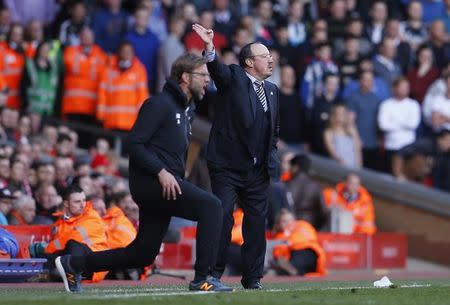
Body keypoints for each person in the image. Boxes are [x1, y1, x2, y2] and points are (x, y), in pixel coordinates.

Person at [55, 53, 232, 293]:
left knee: (143, 253)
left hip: (166, 184)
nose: (207, 81)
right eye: (203, 76)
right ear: (185, 77)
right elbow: (134, 144)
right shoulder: (159, 104)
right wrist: (161, 171)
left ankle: (76, 263)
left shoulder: (185, 110)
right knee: (211, 206)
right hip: (152, 183)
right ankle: (203, 278)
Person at [193, 23, 280, 289]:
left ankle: (253, 278)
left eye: (270, 55)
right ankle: (212, 274)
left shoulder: (273, 91)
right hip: (227, 167)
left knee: (256, 224)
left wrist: (271, 158)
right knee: (223, 218)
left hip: (257, 171)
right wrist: (210, 48)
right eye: (265, 56)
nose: (271, 59)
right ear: (250, 62)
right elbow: (217, 71)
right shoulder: (233, 76)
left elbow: (272, 131)